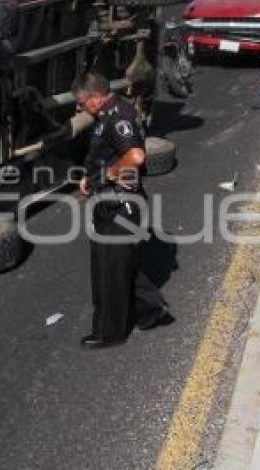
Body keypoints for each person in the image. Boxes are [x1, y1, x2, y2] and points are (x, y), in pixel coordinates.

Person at [74, 72, 172, 350]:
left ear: (95, 97)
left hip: (120, 203)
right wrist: (91, 176)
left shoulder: (118, 117)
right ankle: (150, 310)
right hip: (111, 200)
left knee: (108, 269)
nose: (81, 108)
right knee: (119, 262)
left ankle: (109, 332)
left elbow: (136, 156)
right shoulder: (109, 113)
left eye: (82, 103)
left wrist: (104, 174)